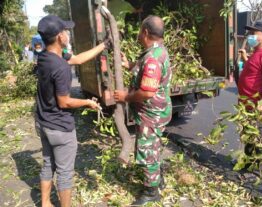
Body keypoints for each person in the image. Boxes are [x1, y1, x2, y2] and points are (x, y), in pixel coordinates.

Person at [35, 15, 109, 207]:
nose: (68, 33)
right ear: (60, 37)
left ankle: (45, 203)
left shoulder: (44, 56)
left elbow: (76, 59)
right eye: (65, 31)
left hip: (43, 122)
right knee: (65, 172)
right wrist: (87, 102)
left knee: (47, 164)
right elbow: (64, 102)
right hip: (60, 127)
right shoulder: (60, 67)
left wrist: (103, 45)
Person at [114, 15, 172, 205]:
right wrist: (129, 64)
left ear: (145, 32)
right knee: (153, 147)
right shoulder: (155, 52)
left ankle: (151, 191)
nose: (139, 34)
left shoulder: (153, 58)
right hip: (156, 112)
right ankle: (158, 179)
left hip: (151, 114)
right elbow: (144, 70)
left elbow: (146, 92)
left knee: (147, 150)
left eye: (140, 30)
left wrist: (125, 97)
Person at [238, 21, 262, 170]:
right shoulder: (256, 53)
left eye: (254, 33)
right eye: (250, 33)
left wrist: (261, 103)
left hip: (257, 108)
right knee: (248, 137)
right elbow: (255, 73)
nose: (250, 36)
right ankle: (247, 164)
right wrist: (245, 59)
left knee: (257, 140)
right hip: (247, 105)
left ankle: (255, 170)